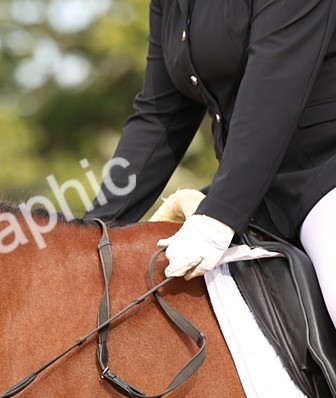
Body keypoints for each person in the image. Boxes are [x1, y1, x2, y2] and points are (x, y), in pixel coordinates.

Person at [84, 0, 336, 320]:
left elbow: (272, 89)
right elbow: (160, 116)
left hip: (324, 178)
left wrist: (219, 216)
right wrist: (92, 231)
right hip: (254, 195)